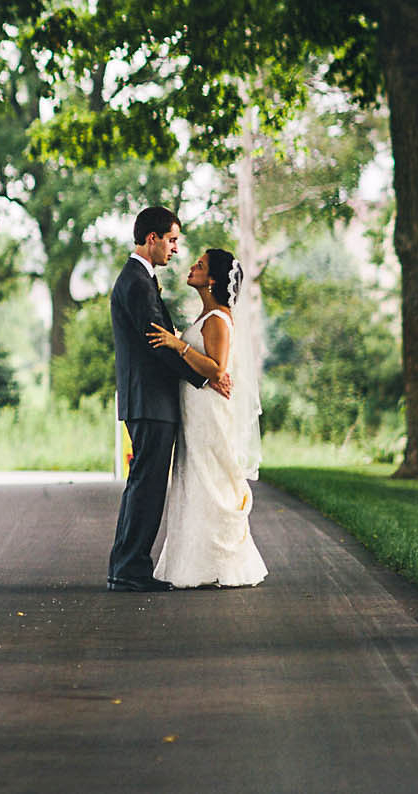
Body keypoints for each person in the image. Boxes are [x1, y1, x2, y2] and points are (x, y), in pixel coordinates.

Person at [150, 243, 266, 588]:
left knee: (209, 476)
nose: (191, 268)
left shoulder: (217, 320)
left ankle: (218, 562)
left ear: (213, 280)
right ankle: (195, 563)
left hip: (209, 413)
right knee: (194, 475)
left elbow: (216, 370)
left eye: (199, 266)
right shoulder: (205, 317)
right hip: (195, 411)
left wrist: (177, 345)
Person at [105, 205, 198, 588]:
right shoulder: (138, 283)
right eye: (172, 240)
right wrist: (202, 379)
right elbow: (158, 345)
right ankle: (130, 569)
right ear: (152, 238)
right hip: (150, 402)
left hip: (147, 401)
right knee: (147, 486)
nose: (175, 249)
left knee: (142, 483)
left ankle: (125, 566)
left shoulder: (139, 280)